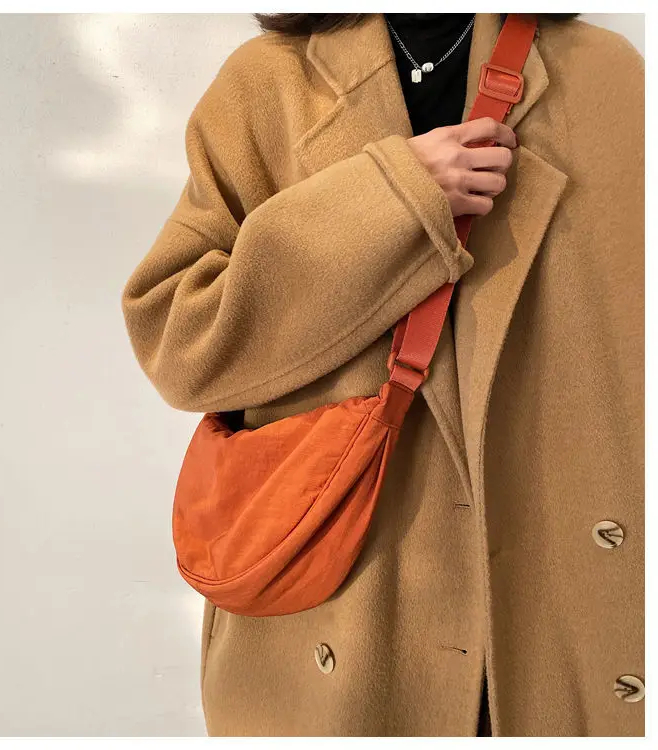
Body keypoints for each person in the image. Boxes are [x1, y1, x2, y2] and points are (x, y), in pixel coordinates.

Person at [121, 12, 644, 737]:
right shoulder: (266, 84)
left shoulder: (604, 75)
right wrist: (395, 197)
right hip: (350, 606)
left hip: (559, 613)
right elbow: (180, 342)